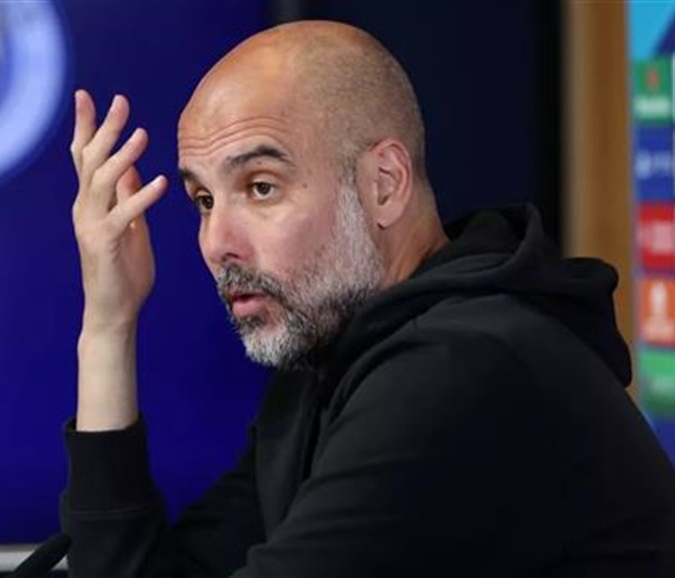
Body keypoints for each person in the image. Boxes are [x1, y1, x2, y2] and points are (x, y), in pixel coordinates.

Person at [59, 20, 675, 577]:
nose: (217, 243)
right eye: (204, 200)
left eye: (262, 187)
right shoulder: (329, 370)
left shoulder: (463, 373)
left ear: (384, 184)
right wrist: (109, 325)